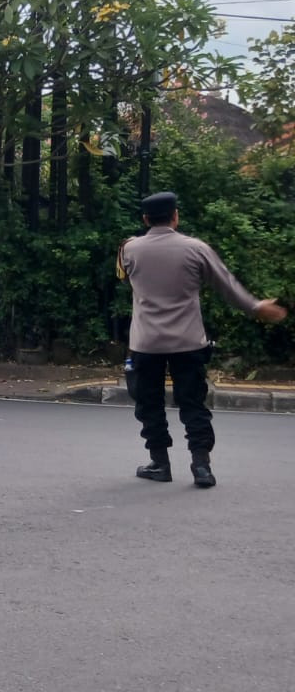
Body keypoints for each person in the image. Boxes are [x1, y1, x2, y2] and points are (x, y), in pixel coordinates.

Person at [118, 190, 286, 487]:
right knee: (193, 403)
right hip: (189, 342)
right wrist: (257, 307)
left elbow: (123, 273)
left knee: (149, 403)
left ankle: (160, 463)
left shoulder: (130, 250)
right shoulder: (196, 249)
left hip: (146, 344)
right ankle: (201, 466)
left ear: (145, 219)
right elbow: (227, 286)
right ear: (176, 216)